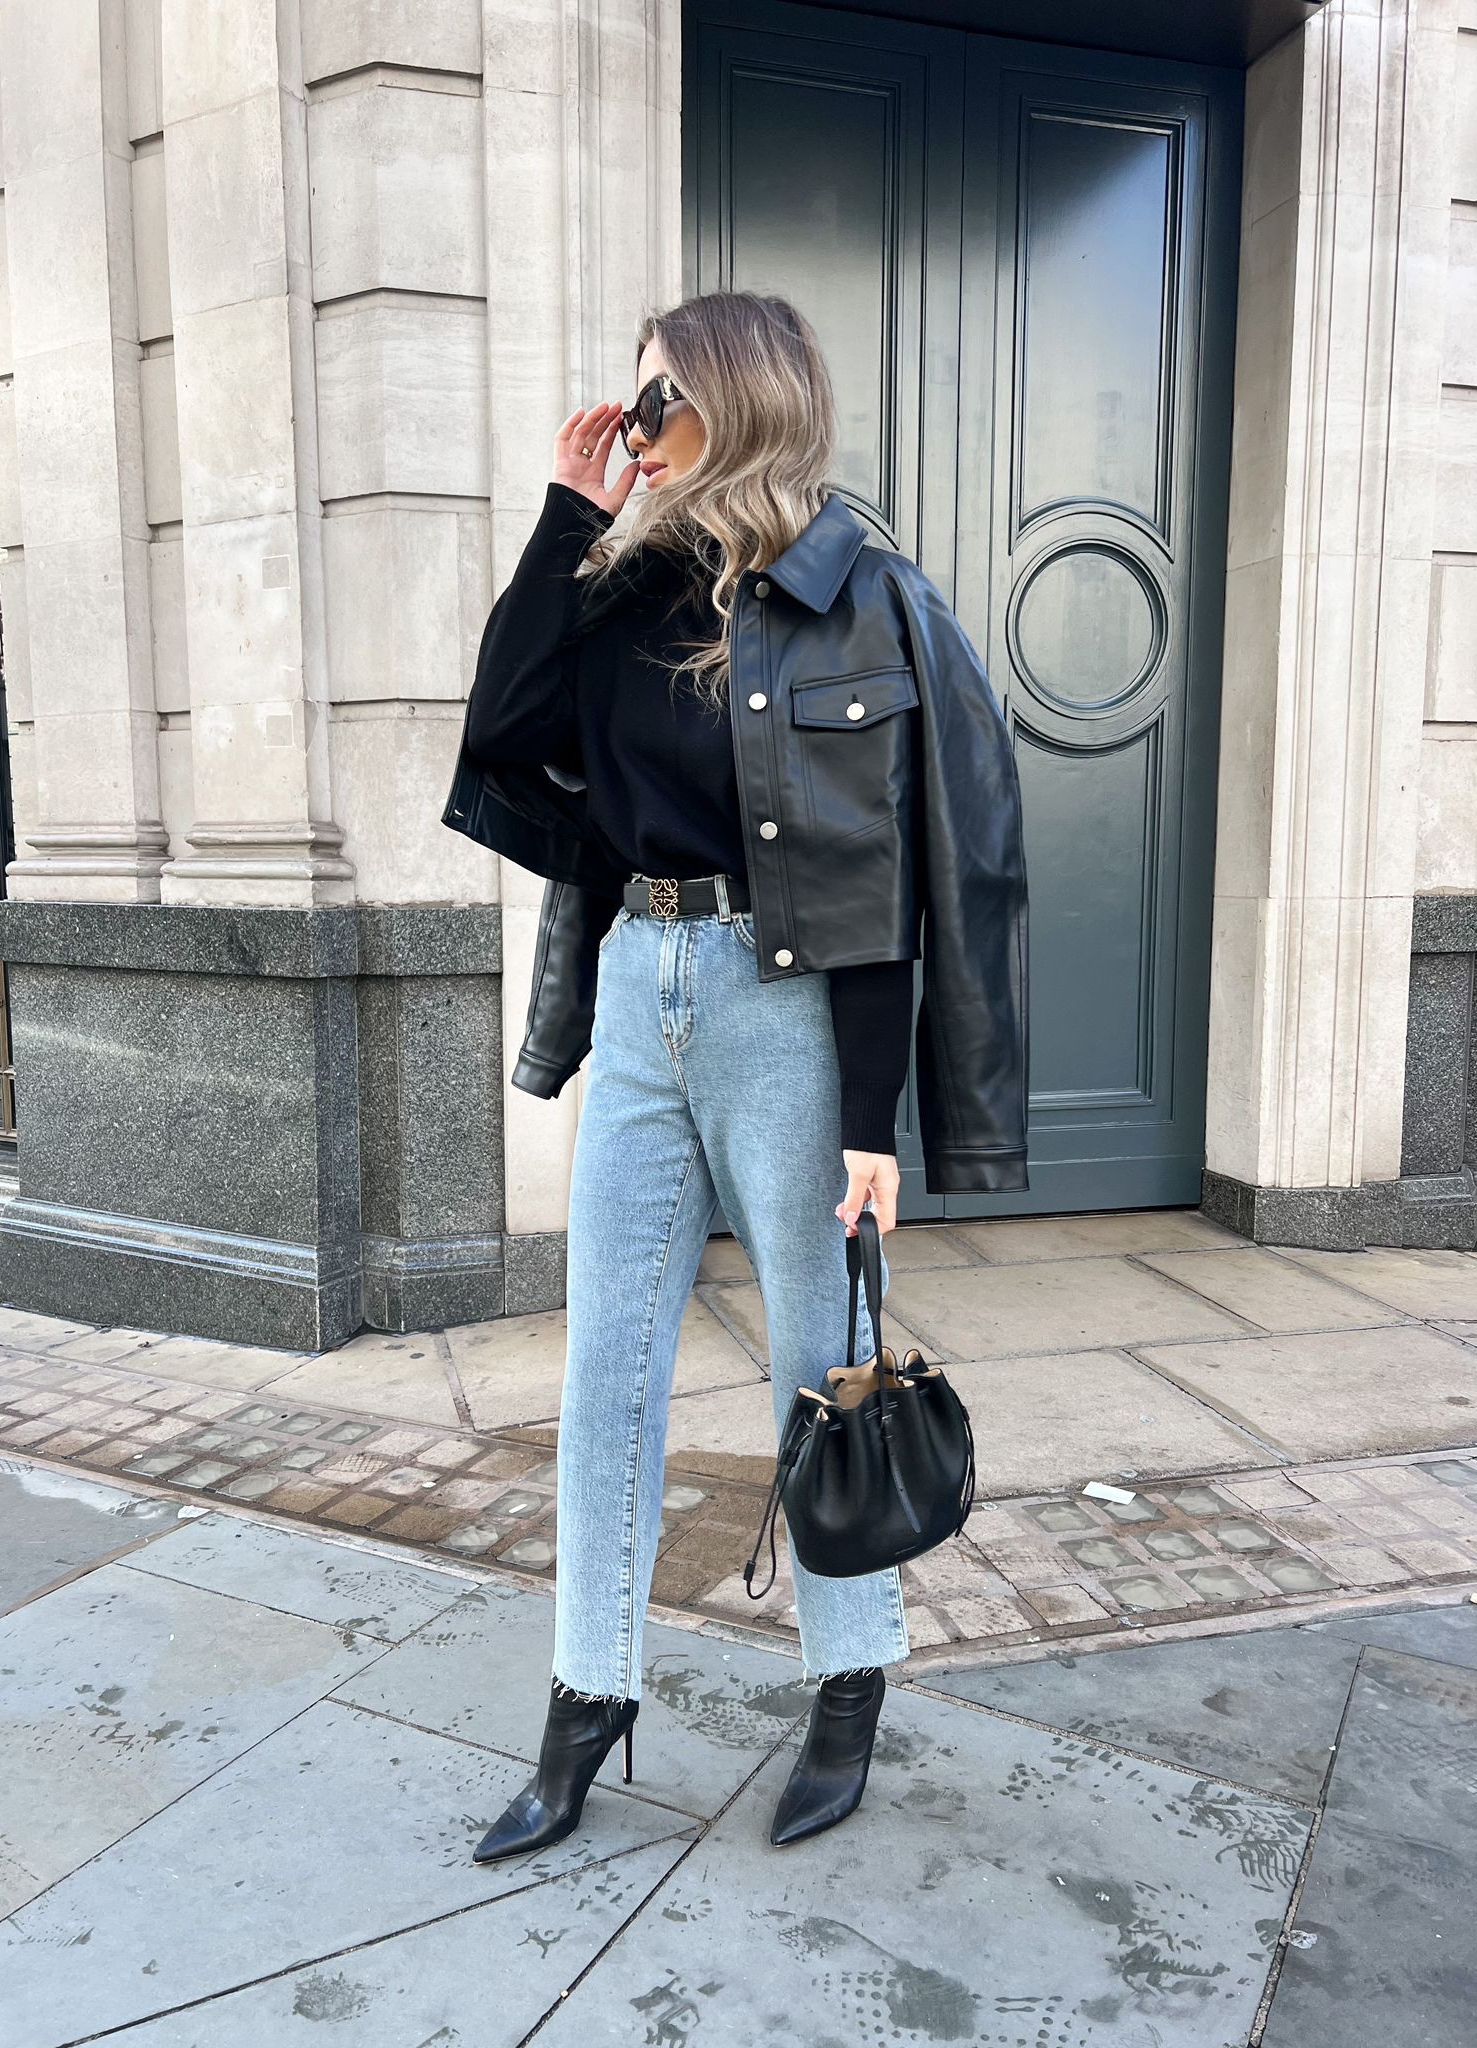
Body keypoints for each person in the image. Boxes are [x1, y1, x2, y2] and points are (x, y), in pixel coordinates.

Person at [442, 290, 1028, 1860]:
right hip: (642, 990)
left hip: (788, 1008)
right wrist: (571, 514)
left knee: (817, 1365)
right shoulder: (623, 589)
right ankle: (588, 1697)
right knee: (606, 1366)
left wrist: (872, 1118)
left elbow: (895, 874)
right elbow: (499, 730)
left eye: (656, 405)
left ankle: (849, 1679)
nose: (634, 430)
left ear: (737, 400)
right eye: (629, 406)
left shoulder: (867, 598)